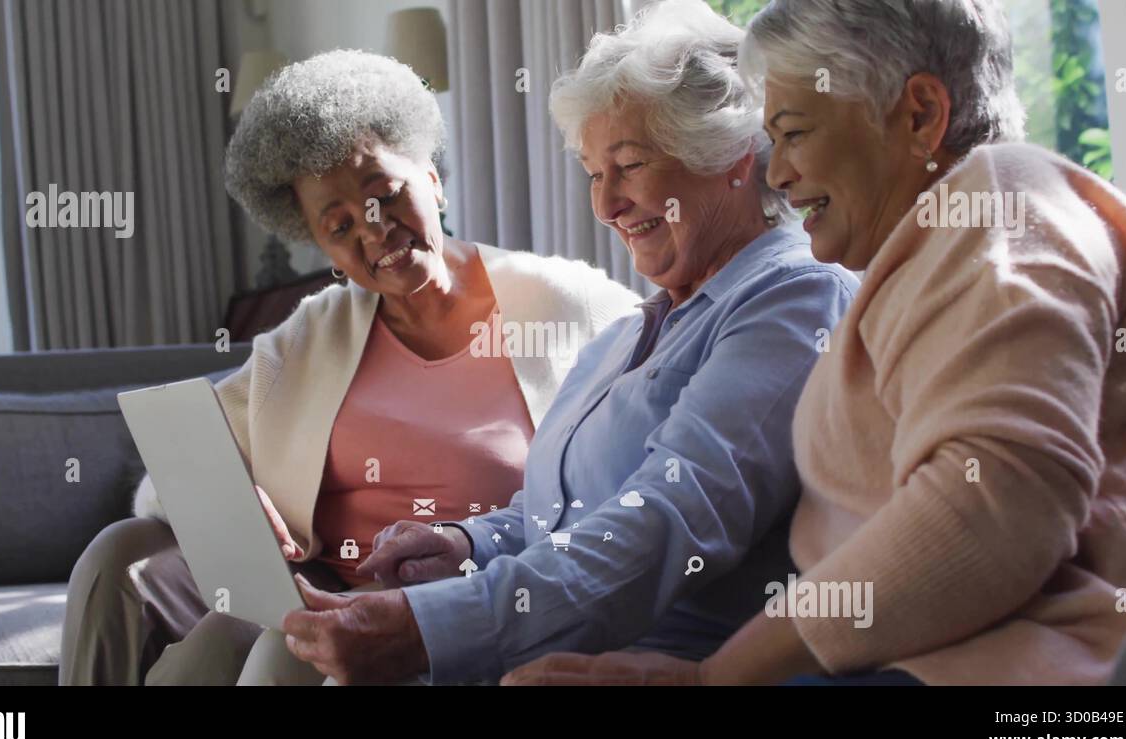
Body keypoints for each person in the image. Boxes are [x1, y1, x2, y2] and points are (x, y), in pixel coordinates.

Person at [504, 0, 1126, 686]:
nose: (779, 172)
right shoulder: (914, 267)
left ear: (919, 115)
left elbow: (994, 509)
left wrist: (715, 677)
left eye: (794, 134)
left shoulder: (1005, 200)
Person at [249, 0, 858, 685]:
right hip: (540, 641)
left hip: (655, 660)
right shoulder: (631, 332)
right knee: (275, 653)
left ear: (731, 156)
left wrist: (431, 628)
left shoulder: (792, 298)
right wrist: (463, 543)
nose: (606, 205)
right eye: (595, 173)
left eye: (629, 164)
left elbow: (671, 520)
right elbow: (556, 511)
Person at [59, 49, 642, 685]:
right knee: (123, 558)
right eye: (338, 226)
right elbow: (177, 471)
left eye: (386, 195)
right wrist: (237, 500)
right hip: (320, 583)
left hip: (475, 597)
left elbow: (657, 432)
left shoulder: (565, 303)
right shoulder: (312, 336)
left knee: (280, 649)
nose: (374, 231)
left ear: (433, 178)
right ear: (320, 244)